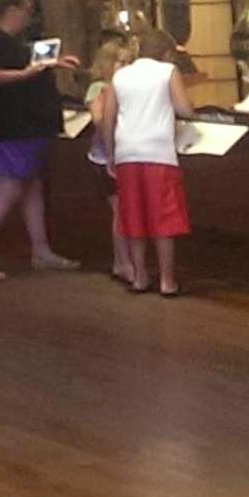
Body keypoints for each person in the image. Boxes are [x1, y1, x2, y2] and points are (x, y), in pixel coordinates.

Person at [0, 0, 81, 281]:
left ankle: (41, 250)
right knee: (7, 189)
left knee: (31, 186)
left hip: (24, 127)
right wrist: (24, 74)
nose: (28, 15)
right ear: (11, 10)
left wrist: (52, 64)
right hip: (6, 127)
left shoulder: (12, 41)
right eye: (26, 9)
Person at [99, 30, 192, 297]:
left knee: (133, 216)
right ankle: (167, 281)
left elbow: (108, 118)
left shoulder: (121, 75)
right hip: (159, 151)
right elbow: (184, 109)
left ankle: (140, 276)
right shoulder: (168, 71)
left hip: (127, 151)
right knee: (164, 217)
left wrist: (111, 153)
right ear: (168, 53)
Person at [82, 35, 138, 289]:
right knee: (120, 210)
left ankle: (122, 260)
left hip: (125, 153)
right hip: (105, 156)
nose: (125, 68)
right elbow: (97, 119)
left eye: (129, 63)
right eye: (121, 62)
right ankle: (123, 261)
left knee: (125, 209)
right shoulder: (99, 89)